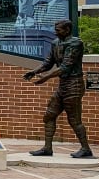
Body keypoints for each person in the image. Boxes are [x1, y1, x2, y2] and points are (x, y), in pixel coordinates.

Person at [23, 19, 93, 158]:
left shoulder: (76, 43)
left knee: (74, 120)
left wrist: (46, 77)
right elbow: (48, 62)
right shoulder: (55, 43)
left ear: (67, 30)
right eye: (55, 29)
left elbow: (66, 66)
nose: (56, 32)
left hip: (74, 85)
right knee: (49, 115)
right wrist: (35, 72)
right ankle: (47, 148)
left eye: (59, 29)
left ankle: (86, 149)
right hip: (63, 85)